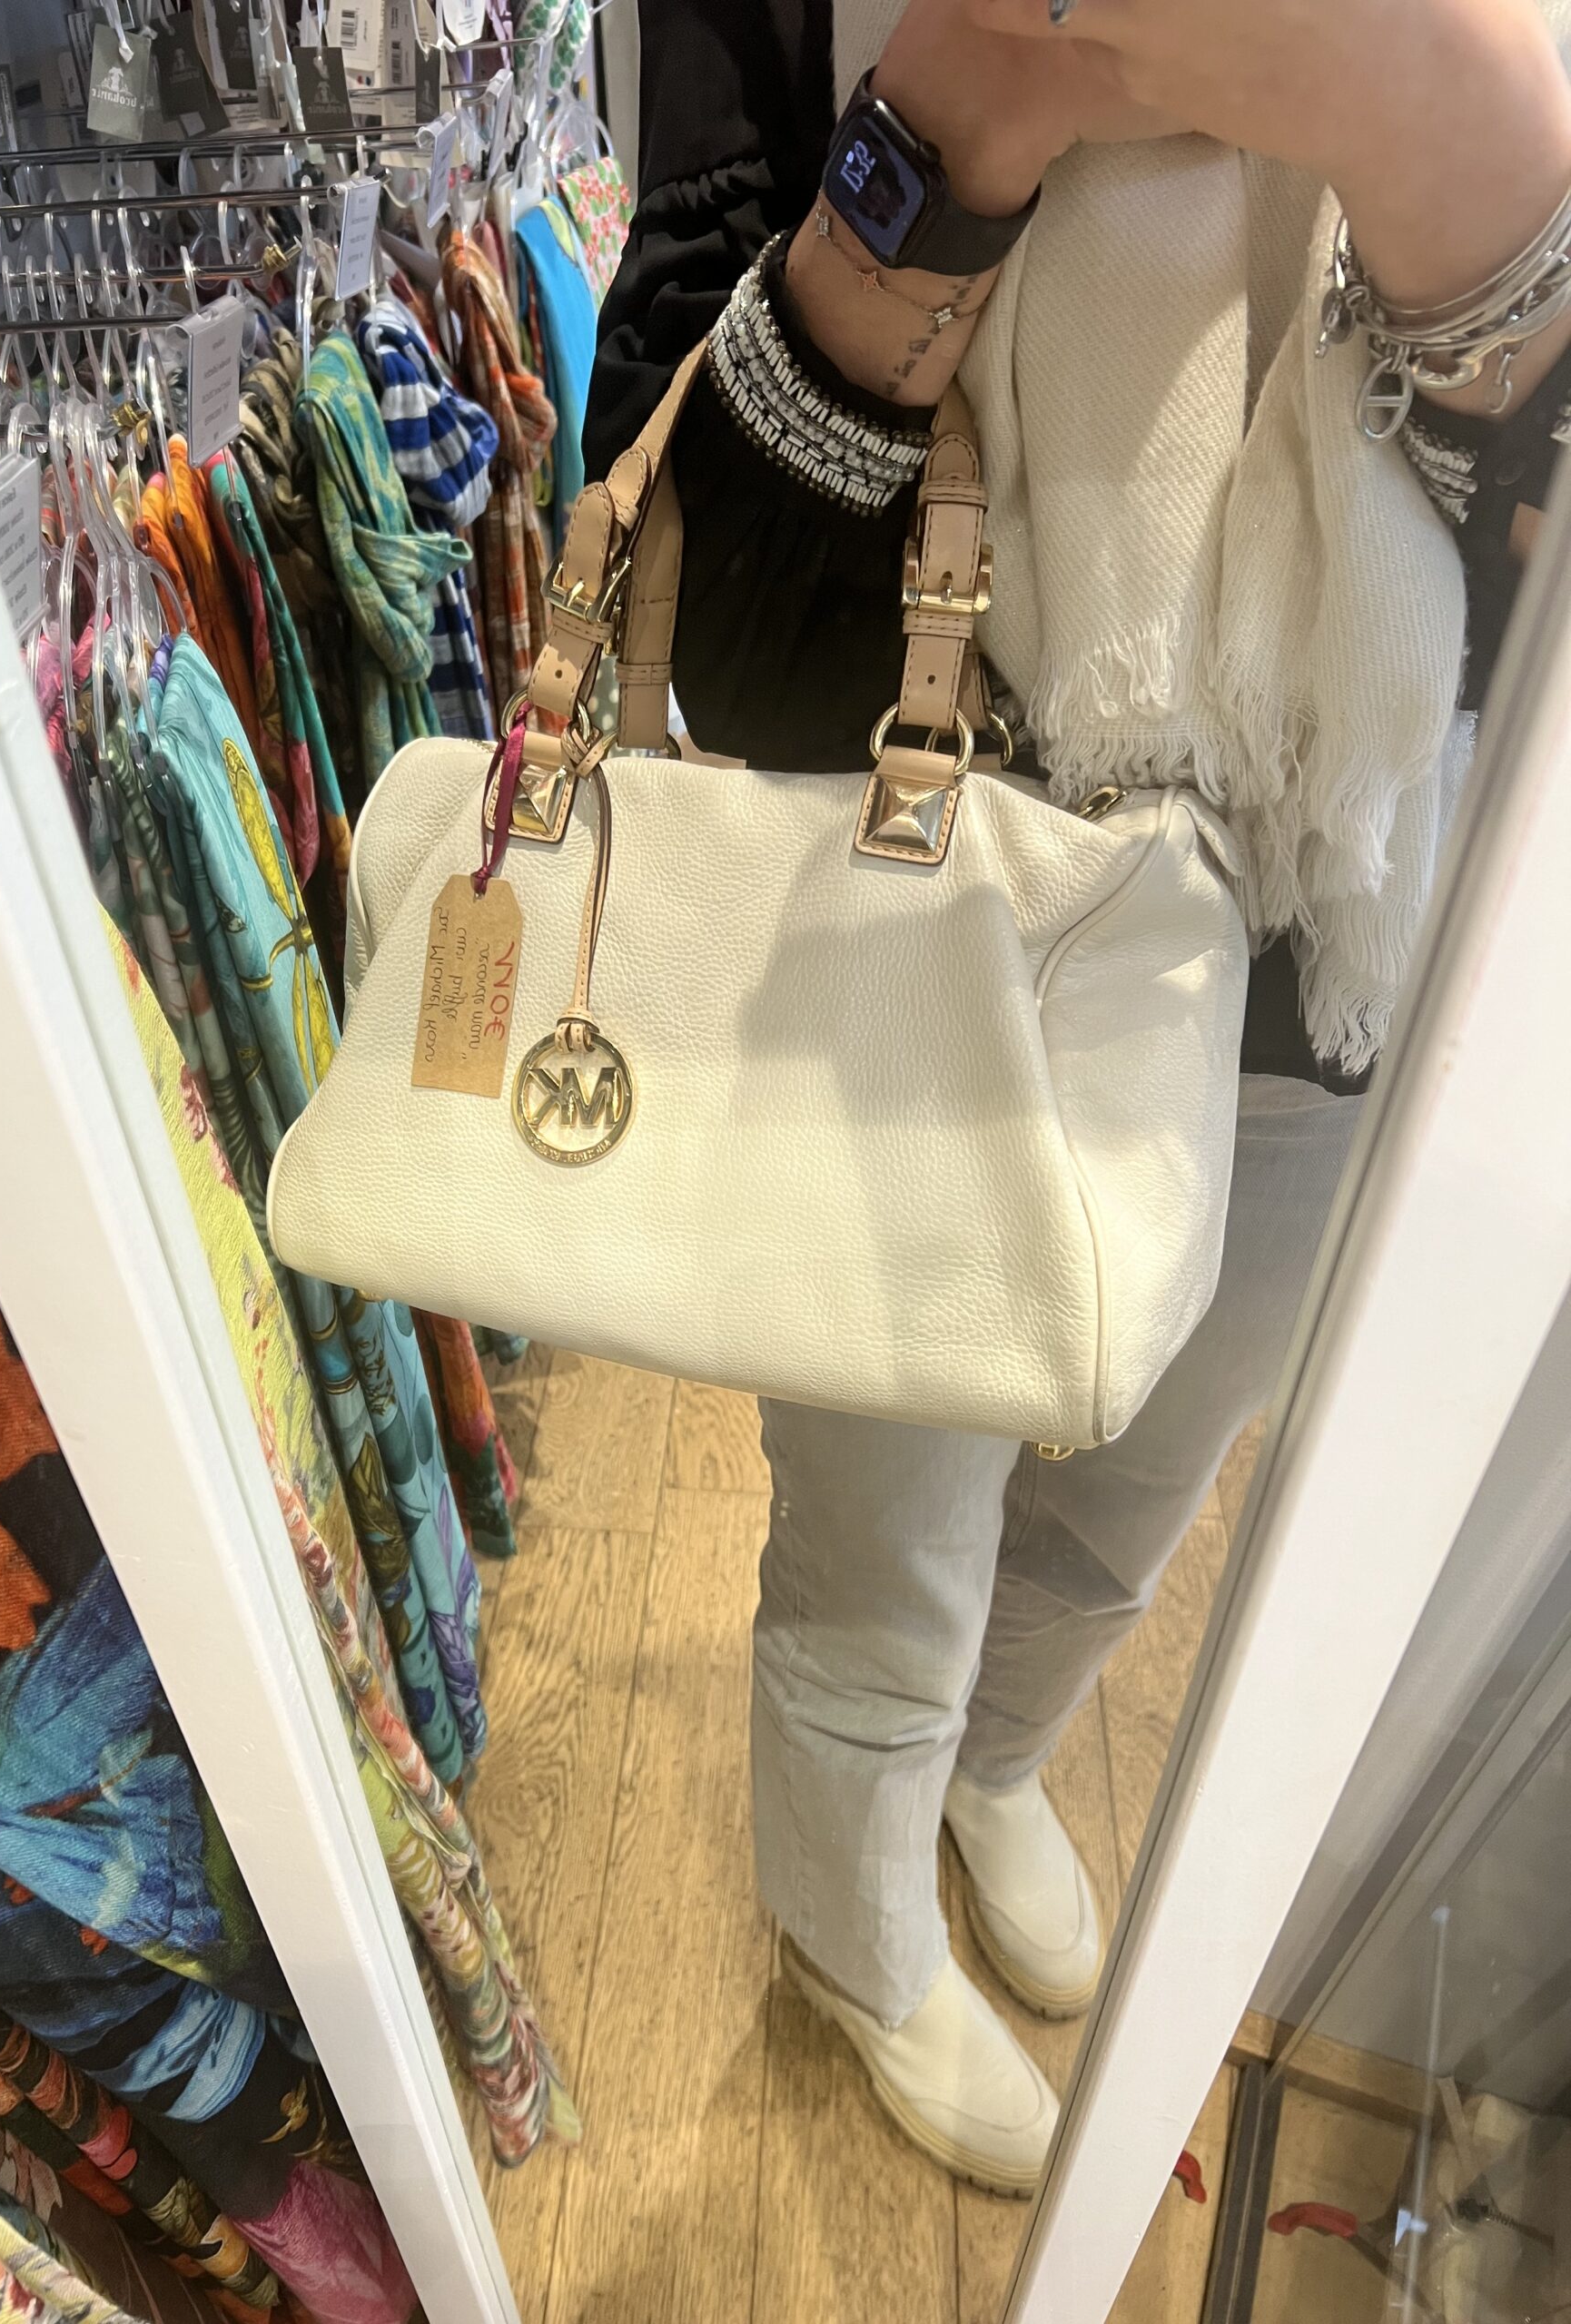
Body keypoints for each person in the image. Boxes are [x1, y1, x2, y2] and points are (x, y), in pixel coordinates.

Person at [584, 0, 1571, 2195]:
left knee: (1144, 1484)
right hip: (917, 890)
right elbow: (723, 628)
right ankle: (852, 1923)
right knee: (880, 1529)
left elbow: (1520, 642)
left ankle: (994, 1759)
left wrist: (1462, 162)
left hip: (1336, 921)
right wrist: (959, 118)